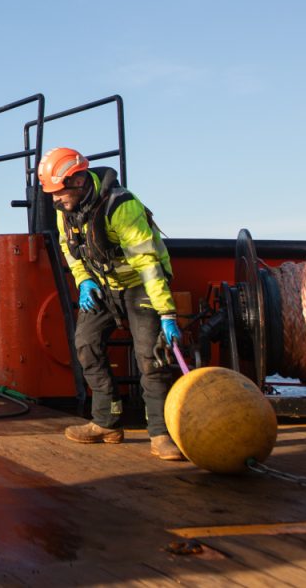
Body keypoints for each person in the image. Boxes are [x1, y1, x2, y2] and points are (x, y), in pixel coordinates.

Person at [38, 146, 185, 461]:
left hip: (140, 286)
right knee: (86, 346)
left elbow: (148, 264)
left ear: (78, 181)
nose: (54, 199)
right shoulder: (66, 208)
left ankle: (161, 434)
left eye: (59, 192)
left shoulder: (121, 207)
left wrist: (166, 313)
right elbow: (69, 247)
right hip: (104, 287)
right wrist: (83, 280)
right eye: (51, 193)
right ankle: (106, 422)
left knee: (152, 359)